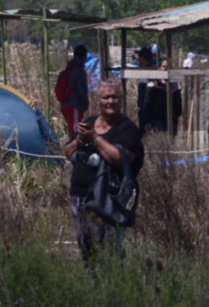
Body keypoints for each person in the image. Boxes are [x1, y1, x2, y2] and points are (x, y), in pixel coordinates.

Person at [63, 80, 144, 264]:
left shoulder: (127, 128)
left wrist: (95, 138)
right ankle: (92, 285)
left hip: (107, 199)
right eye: (106, 97)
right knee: (86, 247)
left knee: (109, 250)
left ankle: (112, 287)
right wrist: (78, 141)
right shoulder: (89, 122)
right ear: (97, 100)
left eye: (115, 97)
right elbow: (68, 152)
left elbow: (119, 158)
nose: (110, 101)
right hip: (80, 195)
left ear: (121, 100)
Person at [143, 57, 182, 136]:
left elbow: (178, 104)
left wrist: (177, 115)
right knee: (159, 141)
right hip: (157, 121)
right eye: (164, 66)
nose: (166, 69)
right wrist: (147, 121)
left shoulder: (175, 86)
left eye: (169, 67)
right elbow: (146, 106)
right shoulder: (153, 86)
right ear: (159, 69)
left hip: (172, 121)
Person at [58, 45, 90, 138]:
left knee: (72, 130)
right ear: (84, 56)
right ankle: (72, 150)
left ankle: (71, 148)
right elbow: (82, 91)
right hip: (74, 106)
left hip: (65, 104)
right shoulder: (79, 71)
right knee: (76, 132)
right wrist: (85, 104)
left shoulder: (69, 68)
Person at [133, 46, 156, 130]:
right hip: (142, 93)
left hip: (148, 92)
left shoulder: (151, 68)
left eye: (139, 56)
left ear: (143, 57)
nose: (138, 58)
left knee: (146, 114)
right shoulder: (141, 67)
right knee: (142, 113)